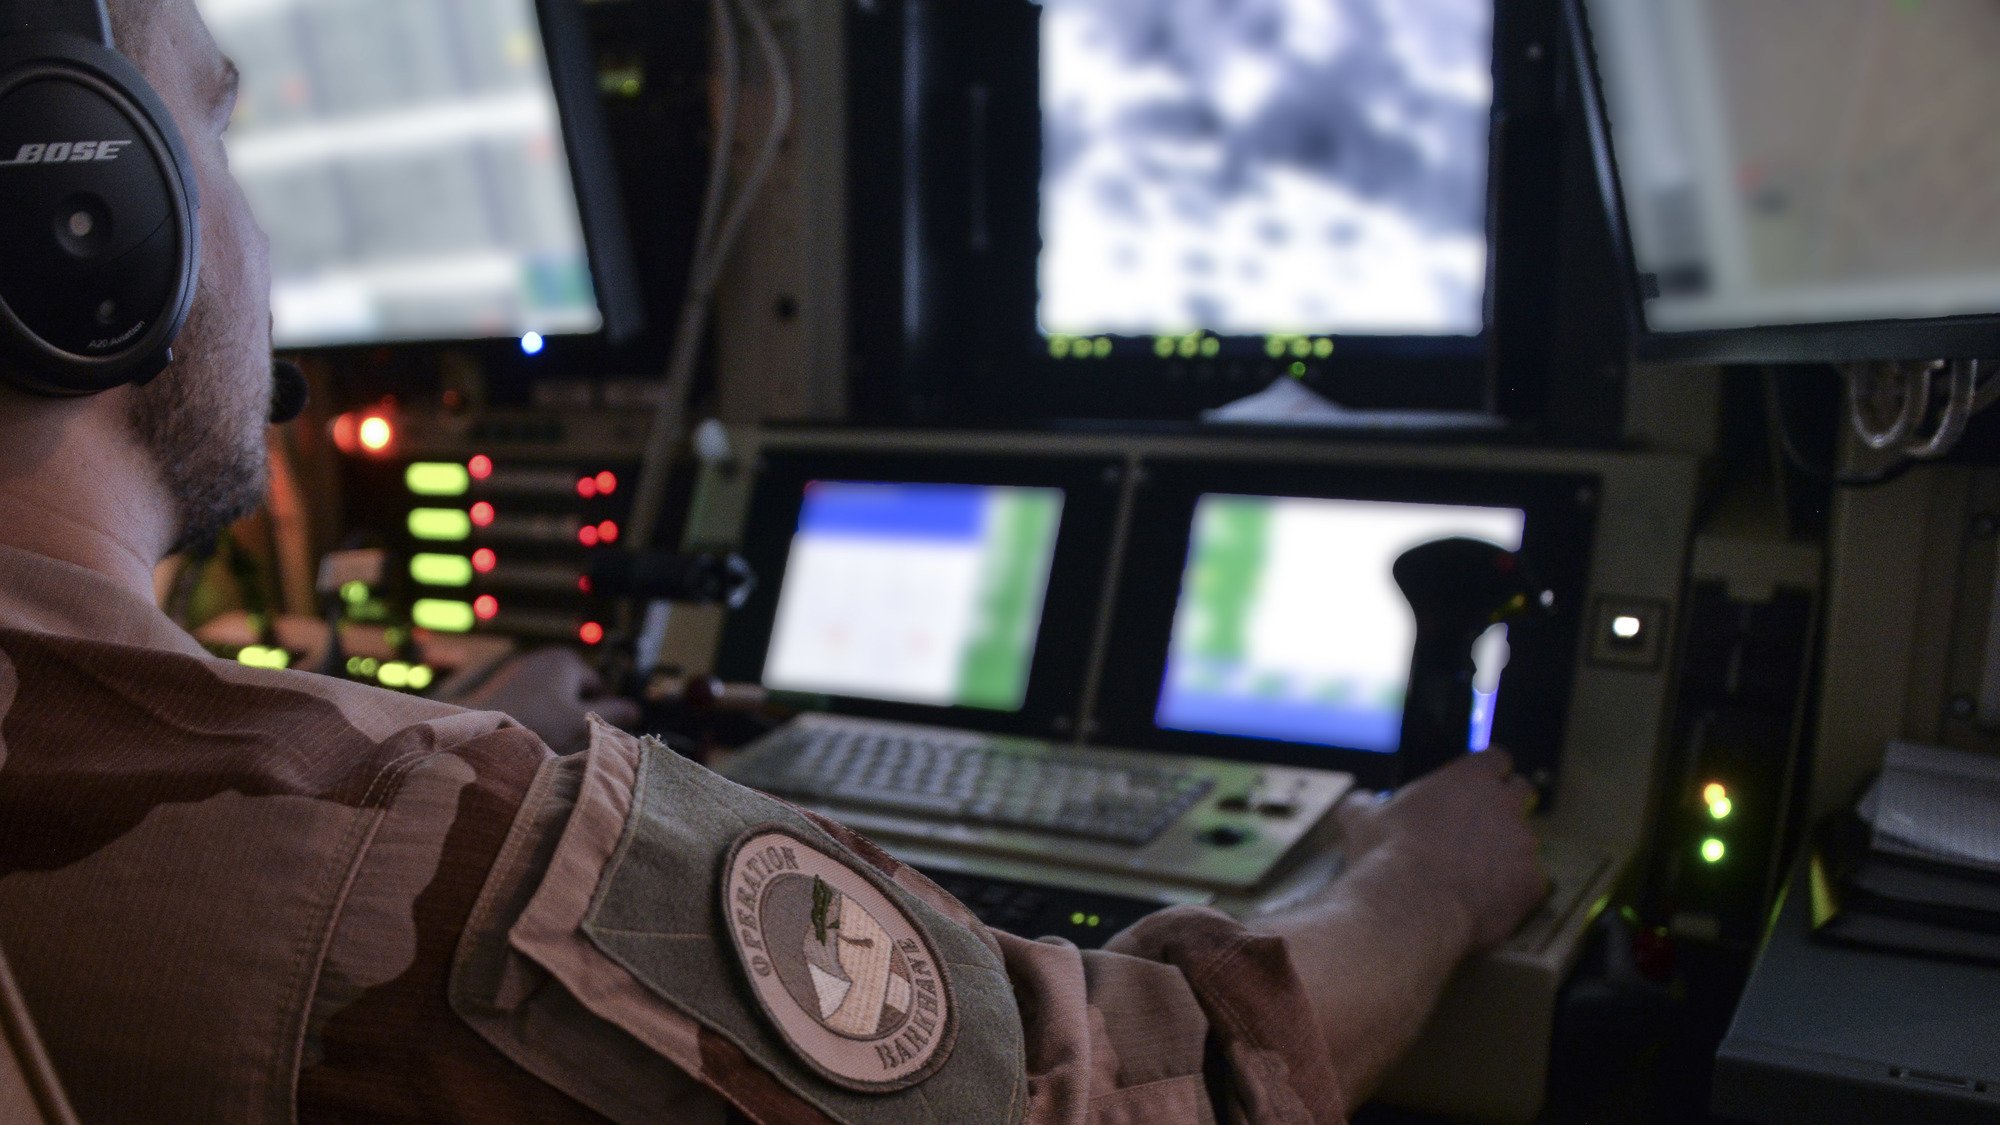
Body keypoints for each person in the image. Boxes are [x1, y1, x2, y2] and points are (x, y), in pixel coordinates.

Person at [0, 1, 1549, 1121]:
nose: (264, 245)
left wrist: (464, 720)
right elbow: (1125, 1084)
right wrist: (1427, 879)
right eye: (216, 123)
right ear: (87, 214)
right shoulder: (415, 846)